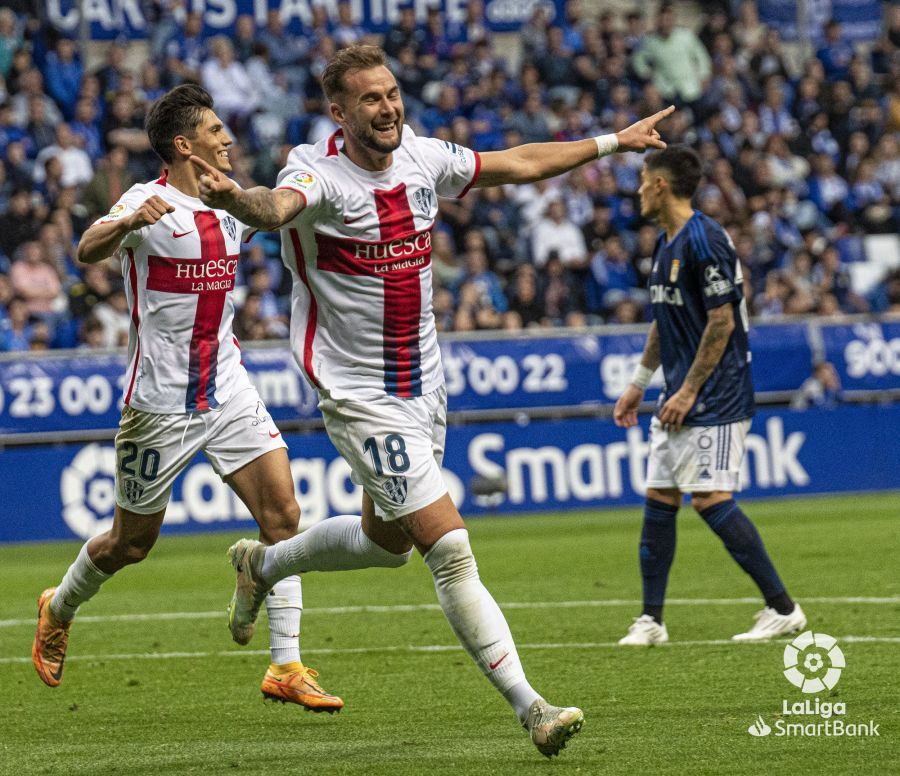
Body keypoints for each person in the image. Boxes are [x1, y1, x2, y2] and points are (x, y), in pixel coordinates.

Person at [189, 44, 673, 757]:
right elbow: (276, 205)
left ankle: (261, 565)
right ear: (339, 112)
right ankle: (532, 708)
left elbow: (516, 163)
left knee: (385, 548)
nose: (387, 109)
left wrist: (612, 141)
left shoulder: (421, 156)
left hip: (425, 386)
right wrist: (237, 199)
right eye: (369, 100)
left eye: (391, 94)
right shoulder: (316, 172)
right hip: (360, 395)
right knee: (449, 547)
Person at [30, 85, 352, 713]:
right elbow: (86, 248)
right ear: (184, 145)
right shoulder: (146, 202)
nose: (226, 139)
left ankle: (285, 664)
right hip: (160, 405)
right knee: (130, 544)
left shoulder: (231, 204)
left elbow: (280, 214)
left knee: (284, 516)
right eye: (213, 131)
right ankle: (59, 604)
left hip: (227, 388)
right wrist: (125, 223)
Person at [612, 146, 806, 645]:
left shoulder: (706, 239)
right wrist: (638, 384)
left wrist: (690, 389)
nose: (635, 191)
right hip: (679, 392)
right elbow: (663, 319)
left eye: (641, 182)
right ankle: (651, 620)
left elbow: (721, 320)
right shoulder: (665, 242)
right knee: (660, 496)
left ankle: (783, 608)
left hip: (717, 394)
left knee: (710, 498)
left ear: (660, 185)